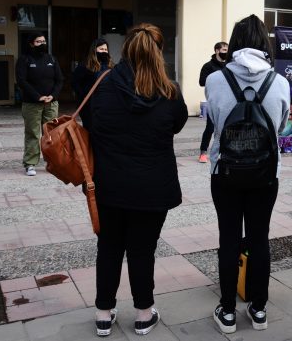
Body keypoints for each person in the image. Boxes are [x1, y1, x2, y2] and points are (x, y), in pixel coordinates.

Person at [89, 23, 188, 337]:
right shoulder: (169, 91)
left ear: (125, 50)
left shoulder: (102, 84)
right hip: (152, 187)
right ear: (157, 52)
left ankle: (104, 313)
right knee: (143, 250)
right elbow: (176, 125)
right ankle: (144, 313)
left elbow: (91, 123)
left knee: (109, 247)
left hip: (108, 184)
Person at [205, 15, 289, 334]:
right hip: (266, 173)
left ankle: (227, 311)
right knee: (259, 238)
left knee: (228, 238)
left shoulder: (216, 79)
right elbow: (280, 127)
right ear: (265, 44)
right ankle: (258, 309)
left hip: (224, 170)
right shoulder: (279, 82)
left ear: (235, 42)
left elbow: (214, 120)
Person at [15, 32, 63, 177]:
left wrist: (52, 95)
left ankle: (52, 162)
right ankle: (30, 164)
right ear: (31, 44)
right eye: (38, 42)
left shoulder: (51, 59)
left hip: (51, 103)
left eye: (43, 41)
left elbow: (60, 80)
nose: (42, 44)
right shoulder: (24, 59)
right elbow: (22, 81)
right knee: (33, 134)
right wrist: (38, 96)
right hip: (32, 104)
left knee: (51, 134)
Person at [71, 38, 113, 131]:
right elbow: (75, 82)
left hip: (105, 105)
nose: (104, 52)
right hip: (89, 106)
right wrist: (84, 95)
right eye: (101, 49)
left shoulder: (110, 66)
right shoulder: (85, 66)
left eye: (106, 50)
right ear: (94, 50)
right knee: (90, 131)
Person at [198, 41, 228, 163]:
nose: (226, 52)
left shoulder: (229, 65)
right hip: (213, 101)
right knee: (210, 127)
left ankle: (224, 152)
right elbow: (201, 82)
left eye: (227, 50)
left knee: (225, 128)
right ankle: (203, 152)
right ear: (217, 51)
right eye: (224, 50)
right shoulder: (208, 66)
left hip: (227, 101)